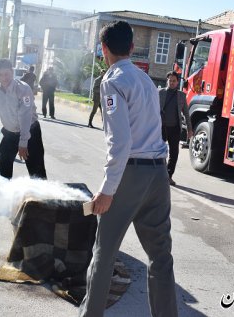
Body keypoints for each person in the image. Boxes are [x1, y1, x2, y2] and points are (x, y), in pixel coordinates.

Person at [79, 20, 178, 317]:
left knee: (104, 253)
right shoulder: (146, 81)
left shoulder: (113, 82)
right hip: (158, 173)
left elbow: (120, 142)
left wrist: (107, 190)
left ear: (103, 49)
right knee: (160, 257)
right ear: (133, 48)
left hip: (130, 175)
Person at [0, 59, 47, 180]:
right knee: (3, 171)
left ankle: (41, 197)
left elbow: (25, 117)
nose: (4, 78)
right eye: (0, 75)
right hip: (9, 134)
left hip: (30, 133)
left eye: (7, 74)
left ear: (12, 72)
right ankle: (4, 195)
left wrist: (23, 143)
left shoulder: (23, 89)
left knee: (37, 172)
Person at [159, 71, 193, 186]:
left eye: (174, 81)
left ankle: (169, 175)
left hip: (175, 128)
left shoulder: (182, 96)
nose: (171, 82)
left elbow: (187, 114)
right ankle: (162, 174)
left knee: (174, 153)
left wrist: (189, 129)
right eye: (170, 80)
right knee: (160, 152)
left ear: (177, 82)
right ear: (167, 81)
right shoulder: (160, 93)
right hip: (161, 128)